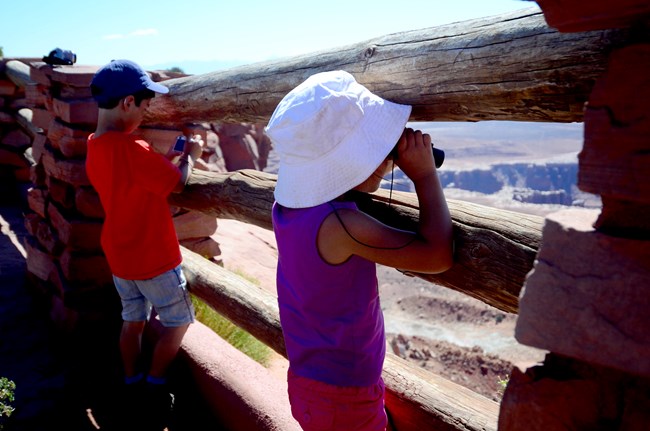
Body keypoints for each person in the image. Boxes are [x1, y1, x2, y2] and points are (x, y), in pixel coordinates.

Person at [265, 70, 454, 431]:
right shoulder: (341, 224)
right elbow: (436, 256)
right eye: (375, 150)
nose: (384, 161)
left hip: (309, 381)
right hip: (345, 395)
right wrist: (426, 176)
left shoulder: (290, 206)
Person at [85, 59, 203, 426]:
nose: (147, 109)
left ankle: (130, 376)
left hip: (120, 256)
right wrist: (190, 158)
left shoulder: (95, 144)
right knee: (179, 320)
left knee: (132, 320)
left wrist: (162, 161)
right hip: (154, 257)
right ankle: (155, 382)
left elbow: (137, 180)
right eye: (145, 103)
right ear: (127, 103)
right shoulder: (133, 148)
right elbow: (177, 183)